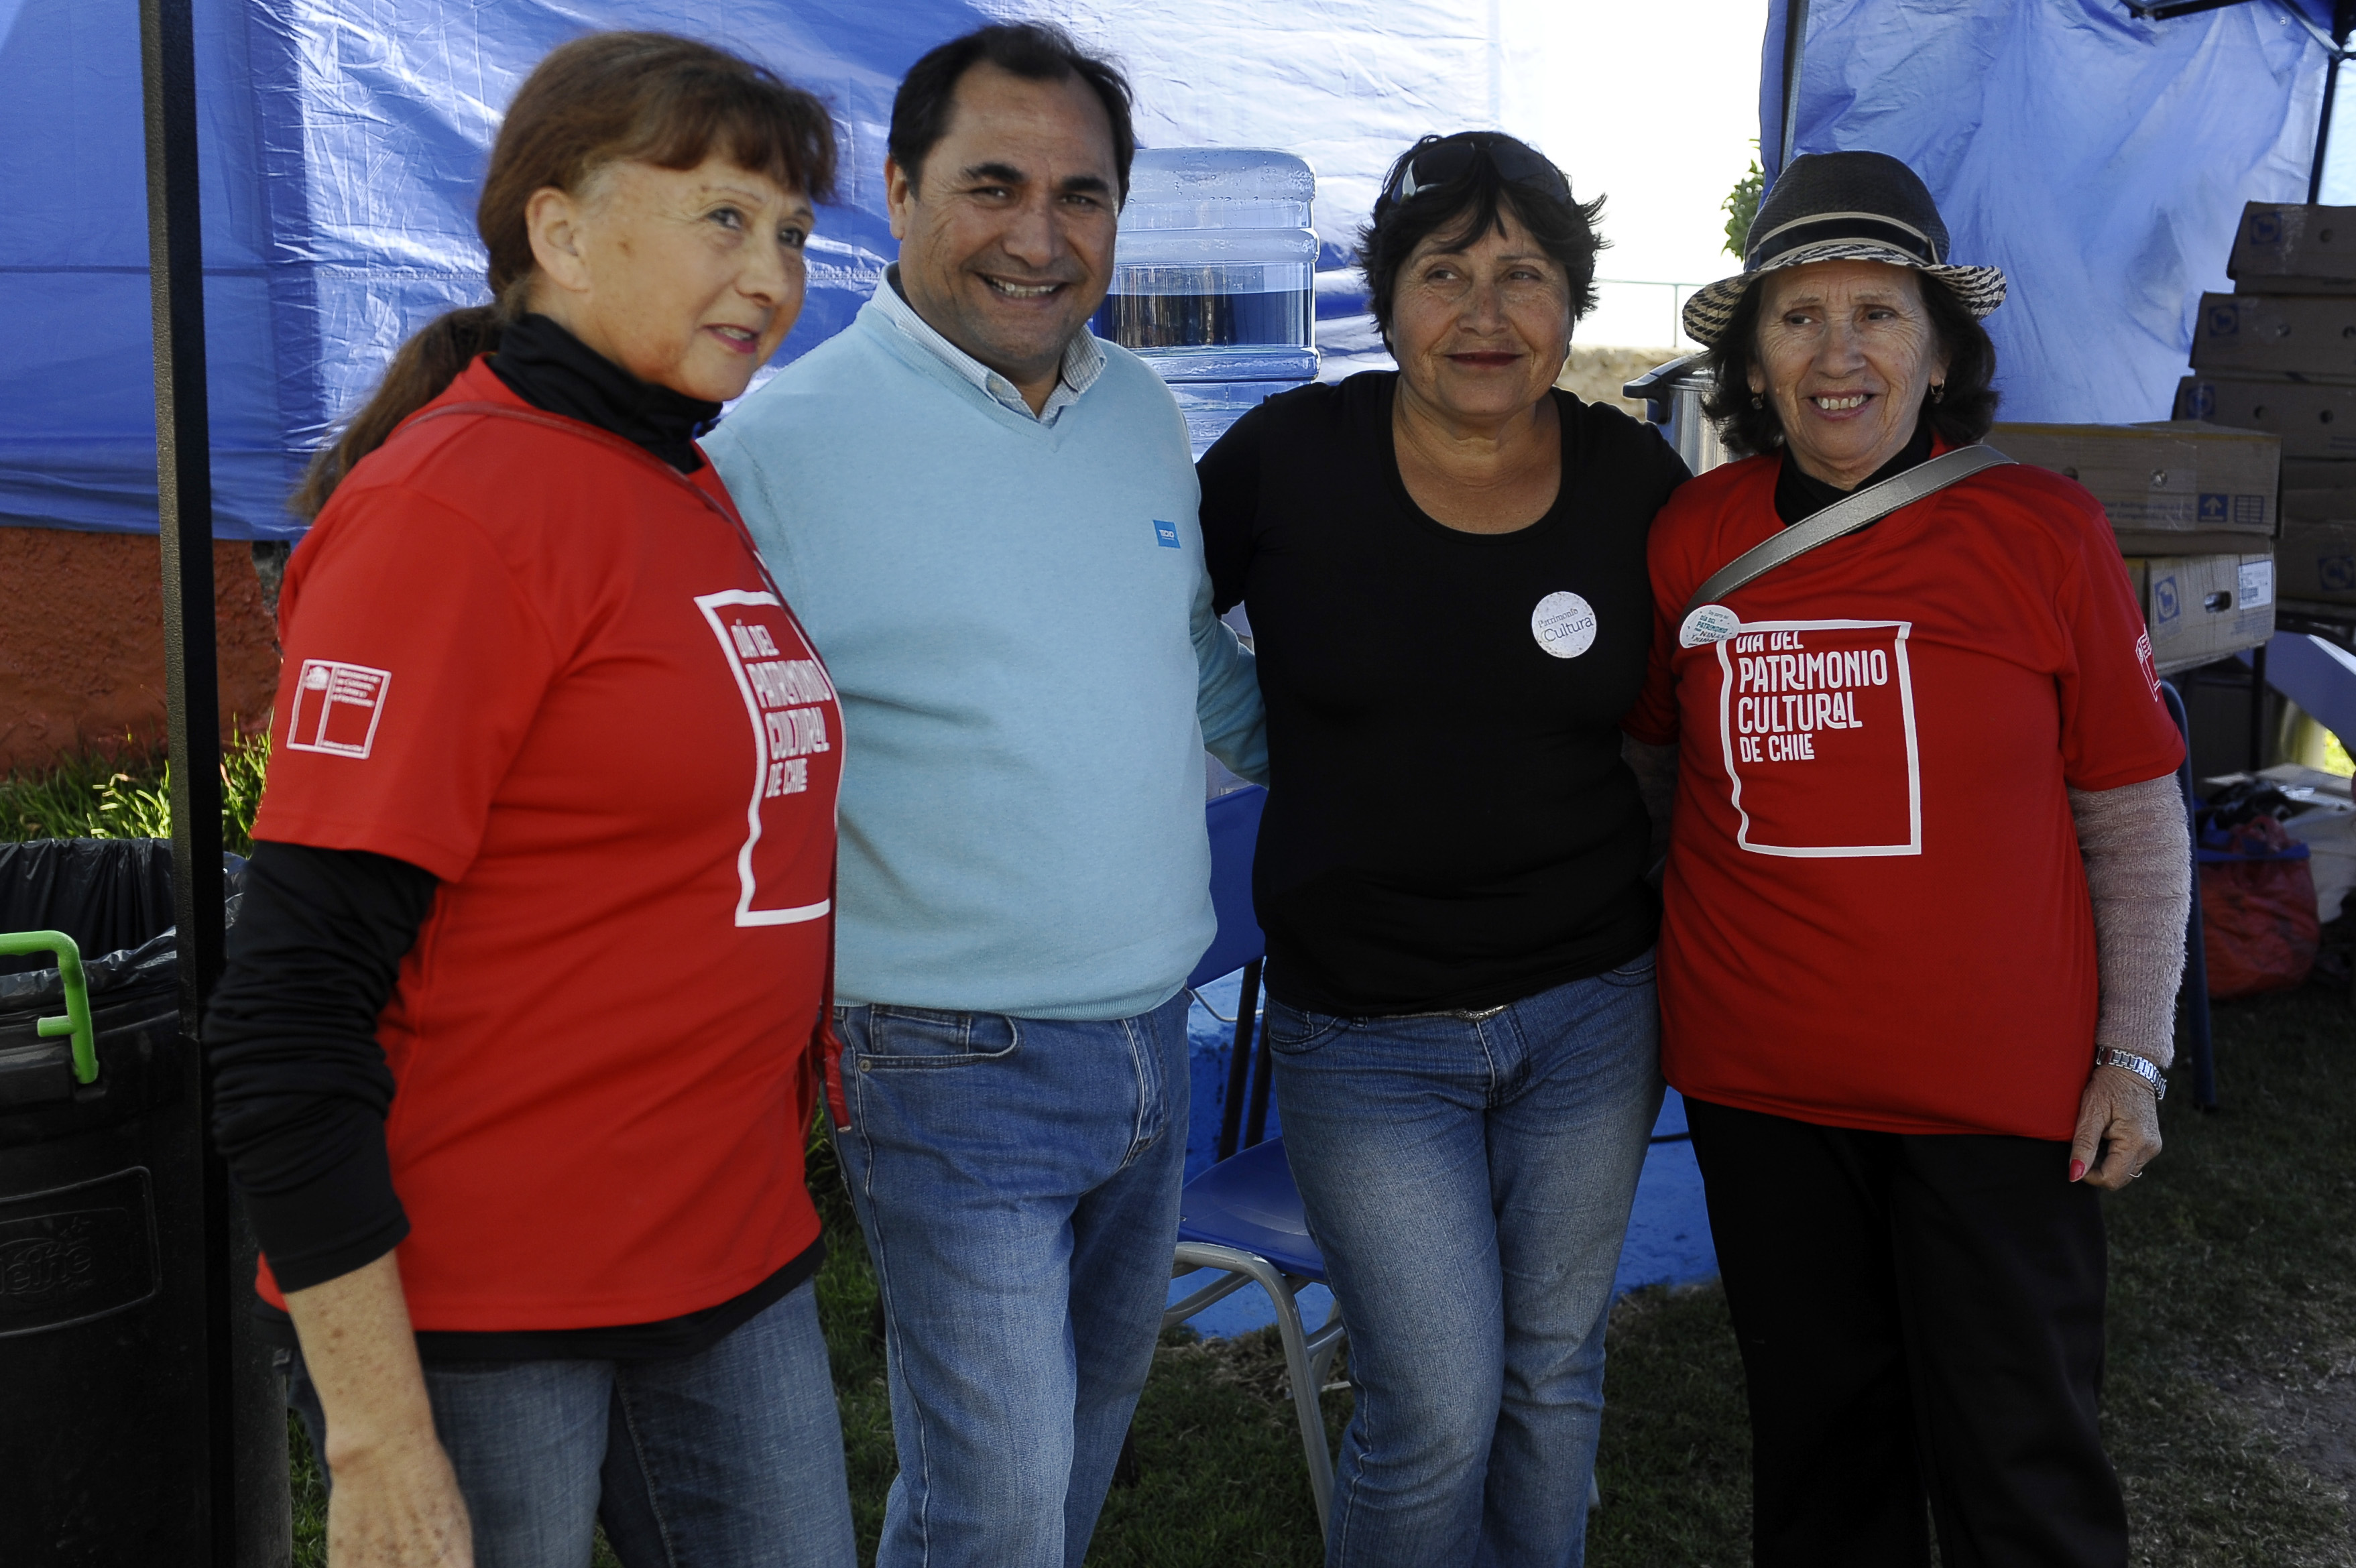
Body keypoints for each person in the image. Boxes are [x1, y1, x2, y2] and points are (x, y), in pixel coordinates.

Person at [205, 34, 857, 1567]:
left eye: (790, 233)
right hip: (491, 1304)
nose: (769, 272)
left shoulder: (670, 475)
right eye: (719, 217)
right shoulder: (455, 508)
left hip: (724, 1247)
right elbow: (290, 1008)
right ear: (559, 231)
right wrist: (373, 1432)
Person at [703, 21, 1265, 1568]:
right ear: (896, 190)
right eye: (992, 185)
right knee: (1004, 1502)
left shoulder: (1142, 411)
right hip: (946, 1058)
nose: (1038, 237)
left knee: (1051, 1472)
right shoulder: (773, 452)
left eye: (1080, 197)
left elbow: (1198, 673)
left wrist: (1391, 761)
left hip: (1153, 1042)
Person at [1622, 150, 2192, 1567]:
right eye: (1797, 316)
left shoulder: (2040, 528)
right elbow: (1650, 771)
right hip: (1766, 1088)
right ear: (1750, 359)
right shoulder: (1691, 533)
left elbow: (2128, 810)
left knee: (2019, 1461)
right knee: (1822, 1455)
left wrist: (2131, 1054)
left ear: (1938, 353)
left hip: (1998, 1100)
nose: (1836, 352)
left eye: (1876, 312)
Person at [1193, 132, 1686, 1566]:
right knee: (1433, 1407)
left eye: (1522, 274)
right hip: (1362, 1028)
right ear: (1384, 296)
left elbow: (1692, 707)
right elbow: (1134, 590)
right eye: (1442, 273)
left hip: (1591, 1009)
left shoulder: (1629, 478)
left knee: (1549, 1375)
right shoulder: (1291, 459)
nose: (1484, 314)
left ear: (1572, 304)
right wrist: (1242, 719)